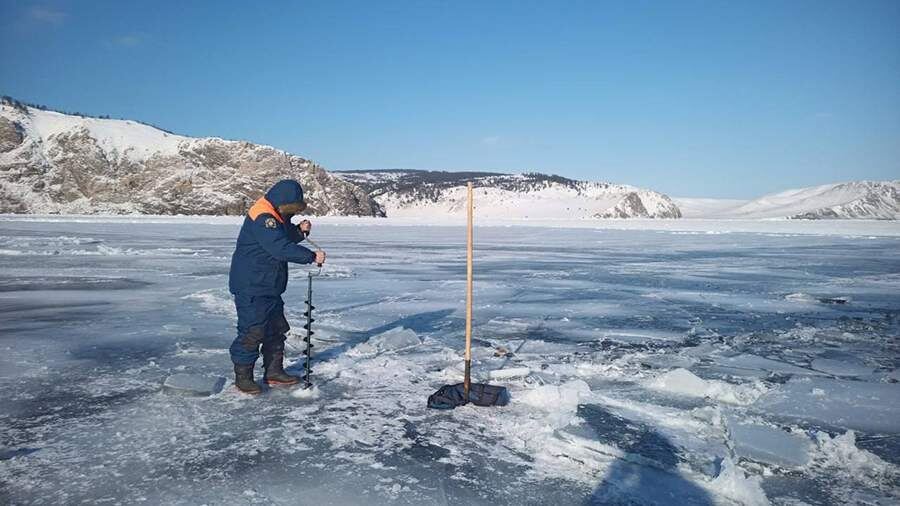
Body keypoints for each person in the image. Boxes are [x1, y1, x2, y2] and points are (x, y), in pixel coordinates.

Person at [227, 179, 326, 394]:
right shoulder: (263, 217)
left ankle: (274, 372)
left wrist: (299, 232)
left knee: (276, 329)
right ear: (283, 202)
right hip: (251, 285)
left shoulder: (274, 214)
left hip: (269, 285)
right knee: (252, 331)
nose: (290, 213)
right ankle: (243, 378)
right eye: (290, 209)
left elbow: (282, 235)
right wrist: (310, 256)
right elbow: (279, 247)